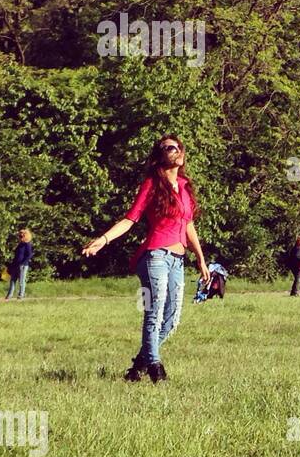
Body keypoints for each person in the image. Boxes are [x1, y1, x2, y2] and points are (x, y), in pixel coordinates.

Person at [82, 135, 208, 383]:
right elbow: (131, 219)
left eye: (179, 147)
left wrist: (201, 259)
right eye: (170, 148)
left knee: (172, 320)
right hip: (155, 257)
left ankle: (138, 365)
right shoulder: (152, 184)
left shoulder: (184, 186)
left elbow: (189, 225)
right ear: (161, 156)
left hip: (177, 259)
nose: (177, 151)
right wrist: (103, 240)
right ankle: (155, 367)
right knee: (155, 311)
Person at [5, 228, 33, 300]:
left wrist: (23, 263)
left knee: (21, 281)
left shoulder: (27, 244)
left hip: (23, 265)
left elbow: (29, 255)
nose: (20, 237)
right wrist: (11, 265)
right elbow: (16, 255)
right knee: (12, 280)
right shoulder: (20, 244)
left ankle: (21, 295)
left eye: (21, 236)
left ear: (25, 236)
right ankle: (9, 295)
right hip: (15, 265)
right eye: (19, 236)